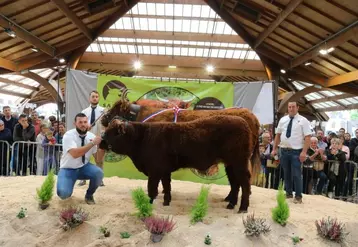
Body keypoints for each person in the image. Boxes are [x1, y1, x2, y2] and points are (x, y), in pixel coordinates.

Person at [56, 113, 103, 204]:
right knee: (63, 194)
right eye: (80, 122)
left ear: (88, 123)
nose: (83, 124)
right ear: (75, 124)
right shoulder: (68, 135)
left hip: (84, 167)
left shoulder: (91, 136)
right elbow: (75, 154)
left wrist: (102, 147)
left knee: (99, 173)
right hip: (68, 169)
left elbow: (98, 159)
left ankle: (89, 196)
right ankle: (67, 184)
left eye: (85, 122)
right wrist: (93, 143)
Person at [272, 101, 312, 204]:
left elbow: (308, 137)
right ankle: (289, 193)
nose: (291, 108)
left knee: (296, 174)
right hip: (284, 150)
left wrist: (304, 152)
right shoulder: (283, 120)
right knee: (286, 173)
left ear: (297, 108)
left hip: (296, 152)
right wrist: (274, 149)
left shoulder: (304, 121)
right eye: (289, 107)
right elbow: (278, 135)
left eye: (293, 107)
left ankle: (298, 196)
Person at [78, 90, 105, 187]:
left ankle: (100, 179)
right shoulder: (84, 112)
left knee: (99, 160)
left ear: (99, 98)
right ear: (89, 98)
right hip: (87, 139)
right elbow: (80, 125)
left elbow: (106, 126)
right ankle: (83, 179)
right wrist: (85, 126)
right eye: (93, 96)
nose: (95, 98)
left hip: (99, 138)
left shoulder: (103, 111)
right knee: (84, 159)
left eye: (97, 96)